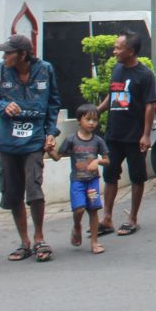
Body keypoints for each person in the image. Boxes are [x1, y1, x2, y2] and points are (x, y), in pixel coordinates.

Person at [0, 33, 61, 263]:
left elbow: (54, 102)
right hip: (8, 141)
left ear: (23, 54)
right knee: (12, 191)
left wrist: (50, 132)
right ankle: (24, 241)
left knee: (34, 187)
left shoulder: (45, 70)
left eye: (9, 52)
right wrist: (3, 106)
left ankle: (39, 238)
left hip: (34, 141)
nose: (4, 57)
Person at [97, 32, 155, 238]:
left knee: (137, 177)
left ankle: (132, 218)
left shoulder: (145, 75)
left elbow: (150, 106)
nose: (114, 52)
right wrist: (96, 111)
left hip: (134, 135)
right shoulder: (117, 69)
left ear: (130, 51)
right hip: (113, 133)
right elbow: (112, 94)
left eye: (118, 48)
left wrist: (146, 135)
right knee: (110, 174)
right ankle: (107, 218)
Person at [53, 104, 109, 255]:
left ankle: (95, 241)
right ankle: (77, 226)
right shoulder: (71, 140)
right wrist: (49, 150)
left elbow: (107, 160)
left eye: (95, 120)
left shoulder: (98, 141)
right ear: (79, 120)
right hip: (77, 181)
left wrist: (97, 162)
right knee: (79, 209)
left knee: (93, 209)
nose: (92, 123)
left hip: (92, 181)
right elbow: (58, 157)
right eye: (88, 119)